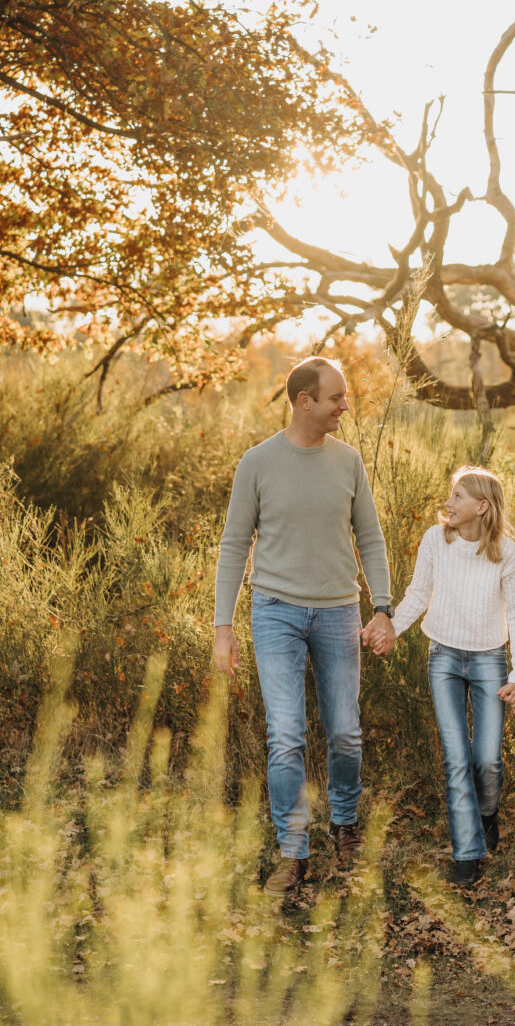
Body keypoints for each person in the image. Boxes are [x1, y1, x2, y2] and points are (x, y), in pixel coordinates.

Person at [212, 356, 394, 895]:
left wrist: (382, 606)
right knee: (286, 735)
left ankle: (344, 824)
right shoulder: (257, 463)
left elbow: (372, 538)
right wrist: (223, 628)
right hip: (276, 613)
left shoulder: (350, 462)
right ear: (304, 401)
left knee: (344, 733)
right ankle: (293, 852)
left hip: (339, 611)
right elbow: (233, 547)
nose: (345, 406)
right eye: (336, 397)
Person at [363, 466, 515, 887]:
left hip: (490, 658)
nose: (449, 504)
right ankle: (467, 852)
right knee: (457, 756)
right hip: (444, 658)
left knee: (487, 759)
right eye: (450, 495)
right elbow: (418, 593)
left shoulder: (506, 552)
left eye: (458, 497)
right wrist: (391, 628)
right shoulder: (436, 540)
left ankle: (487, 812)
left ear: (482, 506)